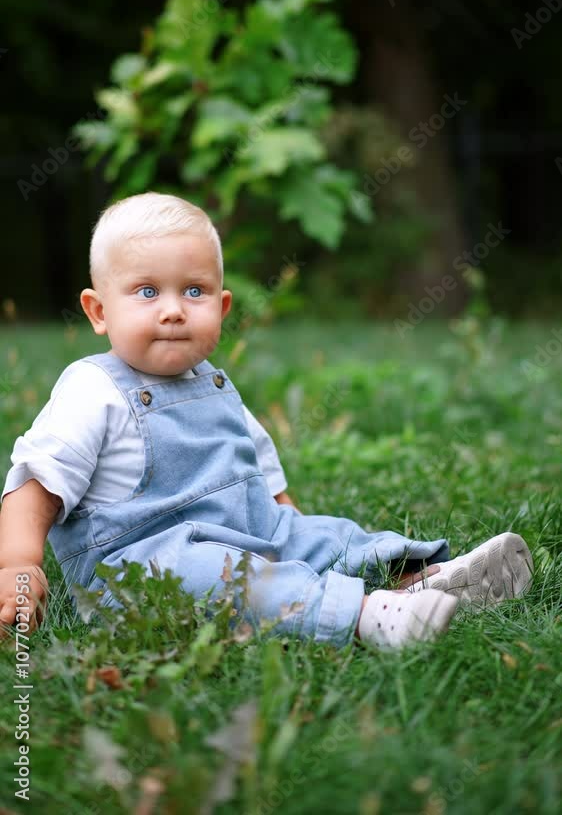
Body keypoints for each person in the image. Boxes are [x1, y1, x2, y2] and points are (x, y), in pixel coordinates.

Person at [0, 193, 533, 651]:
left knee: (323, 536)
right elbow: (36, 483)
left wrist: (297, 532)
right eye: (147, 292)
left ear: (222, 307)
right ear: (98, 311)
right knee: (230, 580)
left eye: (194, 291)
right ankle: (367, 617)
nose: (173, 310)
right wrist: (19, 565)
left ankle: (417, 578)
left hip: (247, 532)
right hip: (143, 573)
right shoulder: (92, 389)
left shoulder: (213, 383)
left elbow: (261, 474)